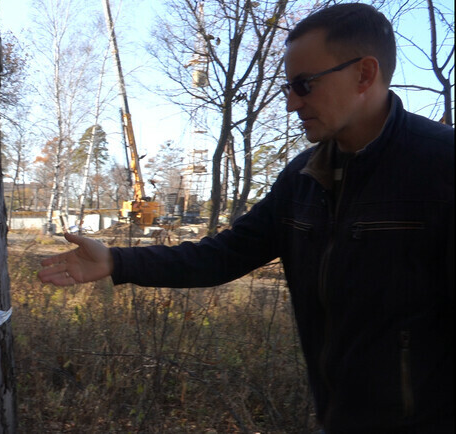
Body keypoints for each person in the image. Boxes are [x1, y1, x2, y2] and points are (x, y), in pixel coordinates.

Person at [38, 3, 453, 432]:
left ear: (364, 74)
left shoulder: (442, 168)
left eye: (304, 85)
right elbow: (223, 255)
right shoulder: (304, 178)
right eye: (287, 87)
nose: (292, 102)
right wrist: (117, 261)